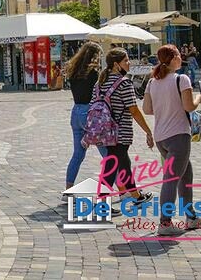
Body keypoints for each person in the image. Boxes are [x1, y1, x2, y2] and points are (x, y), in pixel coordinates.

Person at [142, 44, 201, 236]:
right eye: (179, 55)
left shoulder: (152, 82)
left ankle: (191, 217)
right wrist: (198, 99)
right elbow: (189, 107)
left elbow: (147, 109)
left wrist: (165, 106)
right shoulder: (182, 79)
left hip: (161, 136)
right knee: (171, 178)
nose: (181, 58)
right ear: (172, 59)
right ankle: (165, 222)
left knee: (186, 174)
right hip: (178, 134)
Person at [97, 48, 155, 210]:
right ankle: (102, 205)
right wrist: (147, 130)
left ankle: (136, 196)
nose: (129, 63)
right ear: (116, 64)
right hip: (120, 131)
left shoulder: (100, 82)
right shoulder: (124, 82)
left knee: (122, 163)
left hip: (104, 130)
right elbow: (134, 110)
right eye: (126, 61)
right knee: (112, 166)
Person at [63, 42, 108, 189]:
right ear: (94, 56)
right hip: (90, 113)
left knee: (78, 154)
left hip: (76, 112)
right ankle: (122, 188)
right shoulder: (93, 73)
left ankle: (68, 188)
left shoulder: (73, 71)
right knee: (108, 156)